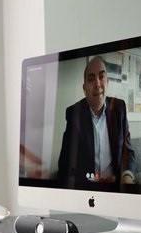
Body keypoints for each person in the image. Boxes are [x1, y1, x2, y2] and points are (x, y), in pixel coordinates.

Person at [57, 55, 136, 187]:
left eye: (101, 77)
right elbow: (65, 165)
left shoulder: (119, 108)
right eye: (91, 79)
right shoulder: (73, 114)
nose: (97, 84)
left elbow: (127, 151)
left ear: (107, 82)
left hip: (115, 187)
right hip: (87, 190)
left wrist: (127, 175)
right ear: (84, 88)